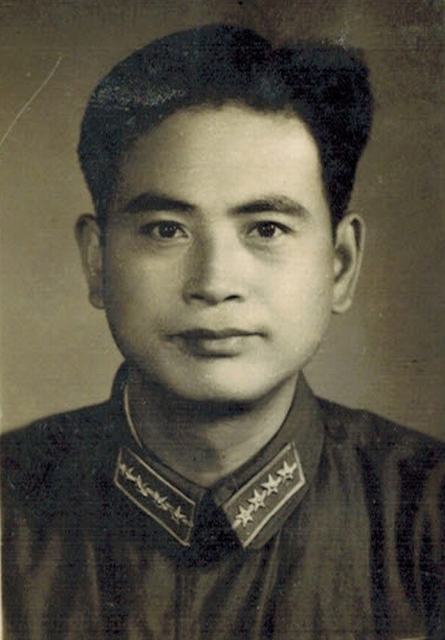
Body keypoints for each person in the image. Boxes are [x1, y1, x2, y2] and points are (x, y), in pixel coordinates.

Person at [1, 24, 443, 640]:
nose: (214, 284)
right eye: (166, 230)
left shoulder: (427, 516)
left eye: (266, 229)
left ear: (339, 265)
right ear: (97, 262)